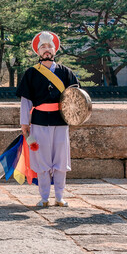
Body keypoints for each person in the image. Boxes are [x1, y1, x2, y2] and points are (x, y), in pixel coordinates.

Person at [16, 31, 79, 208]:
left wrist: (75, 118)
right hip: (39, 121)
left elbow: (76, 98)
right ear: (38, 51)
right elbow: (26, 101)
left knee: (60, 160)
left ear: (55, 49)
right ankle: (44, 197)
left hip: (61, 120)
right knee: (42, 160)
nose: (46, 50)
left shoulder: (66, 72)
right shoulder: (31, 73)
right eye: (43, 47)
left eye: (49, 46)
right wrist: (24, 123)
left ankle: (59, 196)